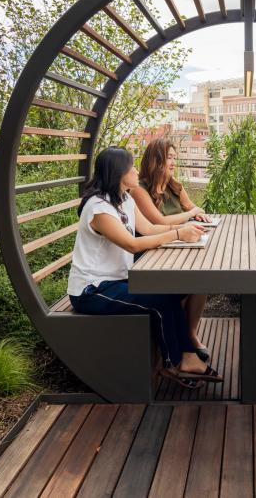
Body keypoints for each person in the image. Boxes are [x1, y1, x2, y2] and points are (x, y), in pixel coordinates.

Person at [68, 147, 221, 388]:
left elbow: (148, 229)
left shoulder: (125, 199)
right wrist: (177, 233)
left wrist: (187, 232)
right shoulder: (99, 208)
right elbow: (131, 244)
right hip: (91, 291)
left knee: (169, 293)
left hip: (115, 282)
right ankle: (174, 363)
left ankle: (187, 357)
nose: (136, 171)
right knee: (160, 302)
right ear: (119, 172)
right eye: (131, 167)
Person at [131, 138, 211, 362]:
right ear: (156, 160)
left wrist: (197, 213)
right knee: (182, 284)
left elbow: (194, 208)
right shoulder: (140, 189)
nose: (173, 162)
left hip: (177, 245)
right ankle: (179, 343)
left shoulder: (175, 185)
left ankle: (191, 335)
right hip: (152, 251)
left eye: (175, 157)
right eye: (169, 157)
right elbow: (159, 220)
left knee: (203, 279)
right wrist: (189, 215)